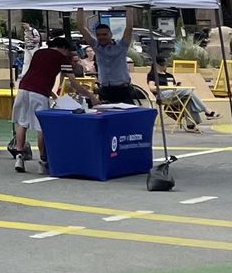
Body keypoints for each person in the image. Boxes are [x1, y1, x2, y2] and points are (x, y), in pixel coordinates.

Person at [11, 34, 74, 173]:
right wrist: (89, 96)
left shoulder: (38, 52)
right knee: (41, 127)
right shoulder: (62, 58)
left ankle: (19, 157)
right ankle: (43, 160)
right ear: (63, 48)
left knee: (22, 123)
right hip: (39, 94)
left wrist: (52, 94)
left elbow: (37, 74)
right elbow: (72, 81)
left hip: (23, 88)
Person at [78, 10, 137, 104]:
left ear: (111, 34)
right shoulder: (96, 46)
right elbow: (81, 28)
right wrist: (80, 7)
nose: (101, 37)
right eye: (98, 35)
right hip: (105, 90)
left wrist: (129, 7)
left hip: (123, 89)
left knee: (127, 117)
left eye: (105, 34)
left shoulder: (121, 46)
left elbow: (129, 28)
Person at [147, 55, 216, 129]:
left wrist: (175, 86)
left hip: (173, 94)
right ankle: (206, 111)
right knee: (188, 91)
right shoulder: (152, 75)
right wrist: (165, 88)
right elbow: (152, 88)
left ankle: (191, 124)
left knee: (188, 98)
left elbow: (174, 86)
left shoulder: (169, 75)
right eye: (162, 64)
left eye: (165, 64)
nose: (164, 66)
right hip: (162, 95)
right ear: (157, 65)